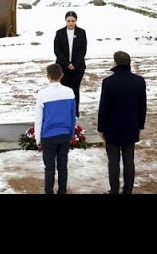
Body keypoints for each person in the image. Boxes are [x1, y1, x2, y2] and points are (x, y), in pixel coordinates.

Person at [97, 51, 147, 194]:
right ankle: (128, 190)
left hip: (112, 127)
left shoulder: (108, 82)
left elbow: (104, 107)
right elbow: (142, 106)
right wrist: (140, 125)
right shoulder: (139, 81)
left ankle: (114, 190)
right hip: (131, 126)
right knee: (129, 160)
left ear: (116, 63)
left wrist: (101, 127)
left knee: (113, 161)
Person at [34, 64, 77, 194]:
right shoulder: (69, 92)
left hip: (48, 136)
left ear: (47, 77)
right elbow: (72, 115)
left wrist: (37, 139)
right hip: (64, 134)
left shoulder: (42, 94)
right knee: (63, 166)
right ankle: (62, 191)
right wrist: (71, 134)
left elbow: (39, 119)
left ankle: (49, 191)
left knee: (50, 168)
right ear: (62, 75)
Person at [53, 10, 87, 117]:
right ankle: (64, 111)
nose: (71, 23)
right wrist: (67, 64)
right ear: (65, 21)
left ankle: (75, 111)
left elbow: (83, 50)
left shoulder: (81, 32)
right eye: (69, 21)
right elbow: (57, 51)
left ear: (76, 21)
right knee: (64, 89)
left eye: (73, 21)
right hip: (63, 67)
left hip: (78, 67)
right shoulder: (59, 33)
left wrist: (75, 64)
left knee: (74, 88)